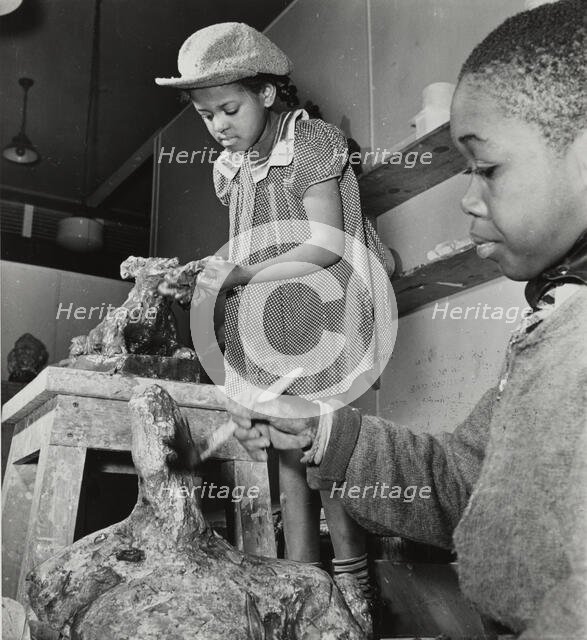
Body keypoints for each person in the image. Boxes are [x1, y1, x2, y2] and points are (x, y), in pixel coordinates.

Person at [226, 1, 587, 637]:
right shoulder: (554, 325)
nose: (469, 199)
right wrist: (322, 435)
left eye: (488, 169)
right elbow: (459, 482)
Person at [156, 22, 395, 606]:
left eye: (229, 109)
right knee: (285, 448)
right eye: (206, 115)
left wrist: (238, 275)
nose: (218, 127)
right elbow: (253, 243)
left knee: (325, 447)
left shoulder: (310, 141)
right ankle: (303, 584)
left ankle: (353, 585)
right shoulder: (230, 169)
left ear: (266, 93)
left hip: (332, 307)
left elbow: (323, 245)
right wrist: (208, 271)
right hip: (276, 315)